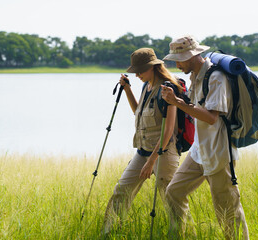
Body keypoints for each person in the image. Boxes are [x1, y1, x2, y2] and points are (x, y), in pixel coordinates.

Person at [161, 36, 249, 239]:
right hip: (199, 151)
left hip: (219, 154)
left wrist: (177, 102)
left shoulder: (217, 77)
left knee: (228, 213)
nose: (176, 64)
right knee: (173, 192)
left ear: (191, 56)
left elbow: (211, 117)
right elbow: (196, 108)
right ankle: (184, 234)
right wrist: (176, 98)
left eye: (179, 59)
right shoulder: (195, 76)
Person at [102, 48, 182, 234]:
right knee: (121, 191)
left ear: (153, 67)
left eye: (140, 70)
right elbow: (138, 112)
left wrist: (152, 161)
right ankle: (107, 233)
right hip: (143, 151)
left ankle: (181, 235)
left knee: (170, 199)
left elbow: (169, 130)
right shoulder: (146, 86)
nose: (136, 74)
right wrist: (127, 89)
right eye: (135, 71)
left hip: (163, 153)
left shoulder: (168, 88)